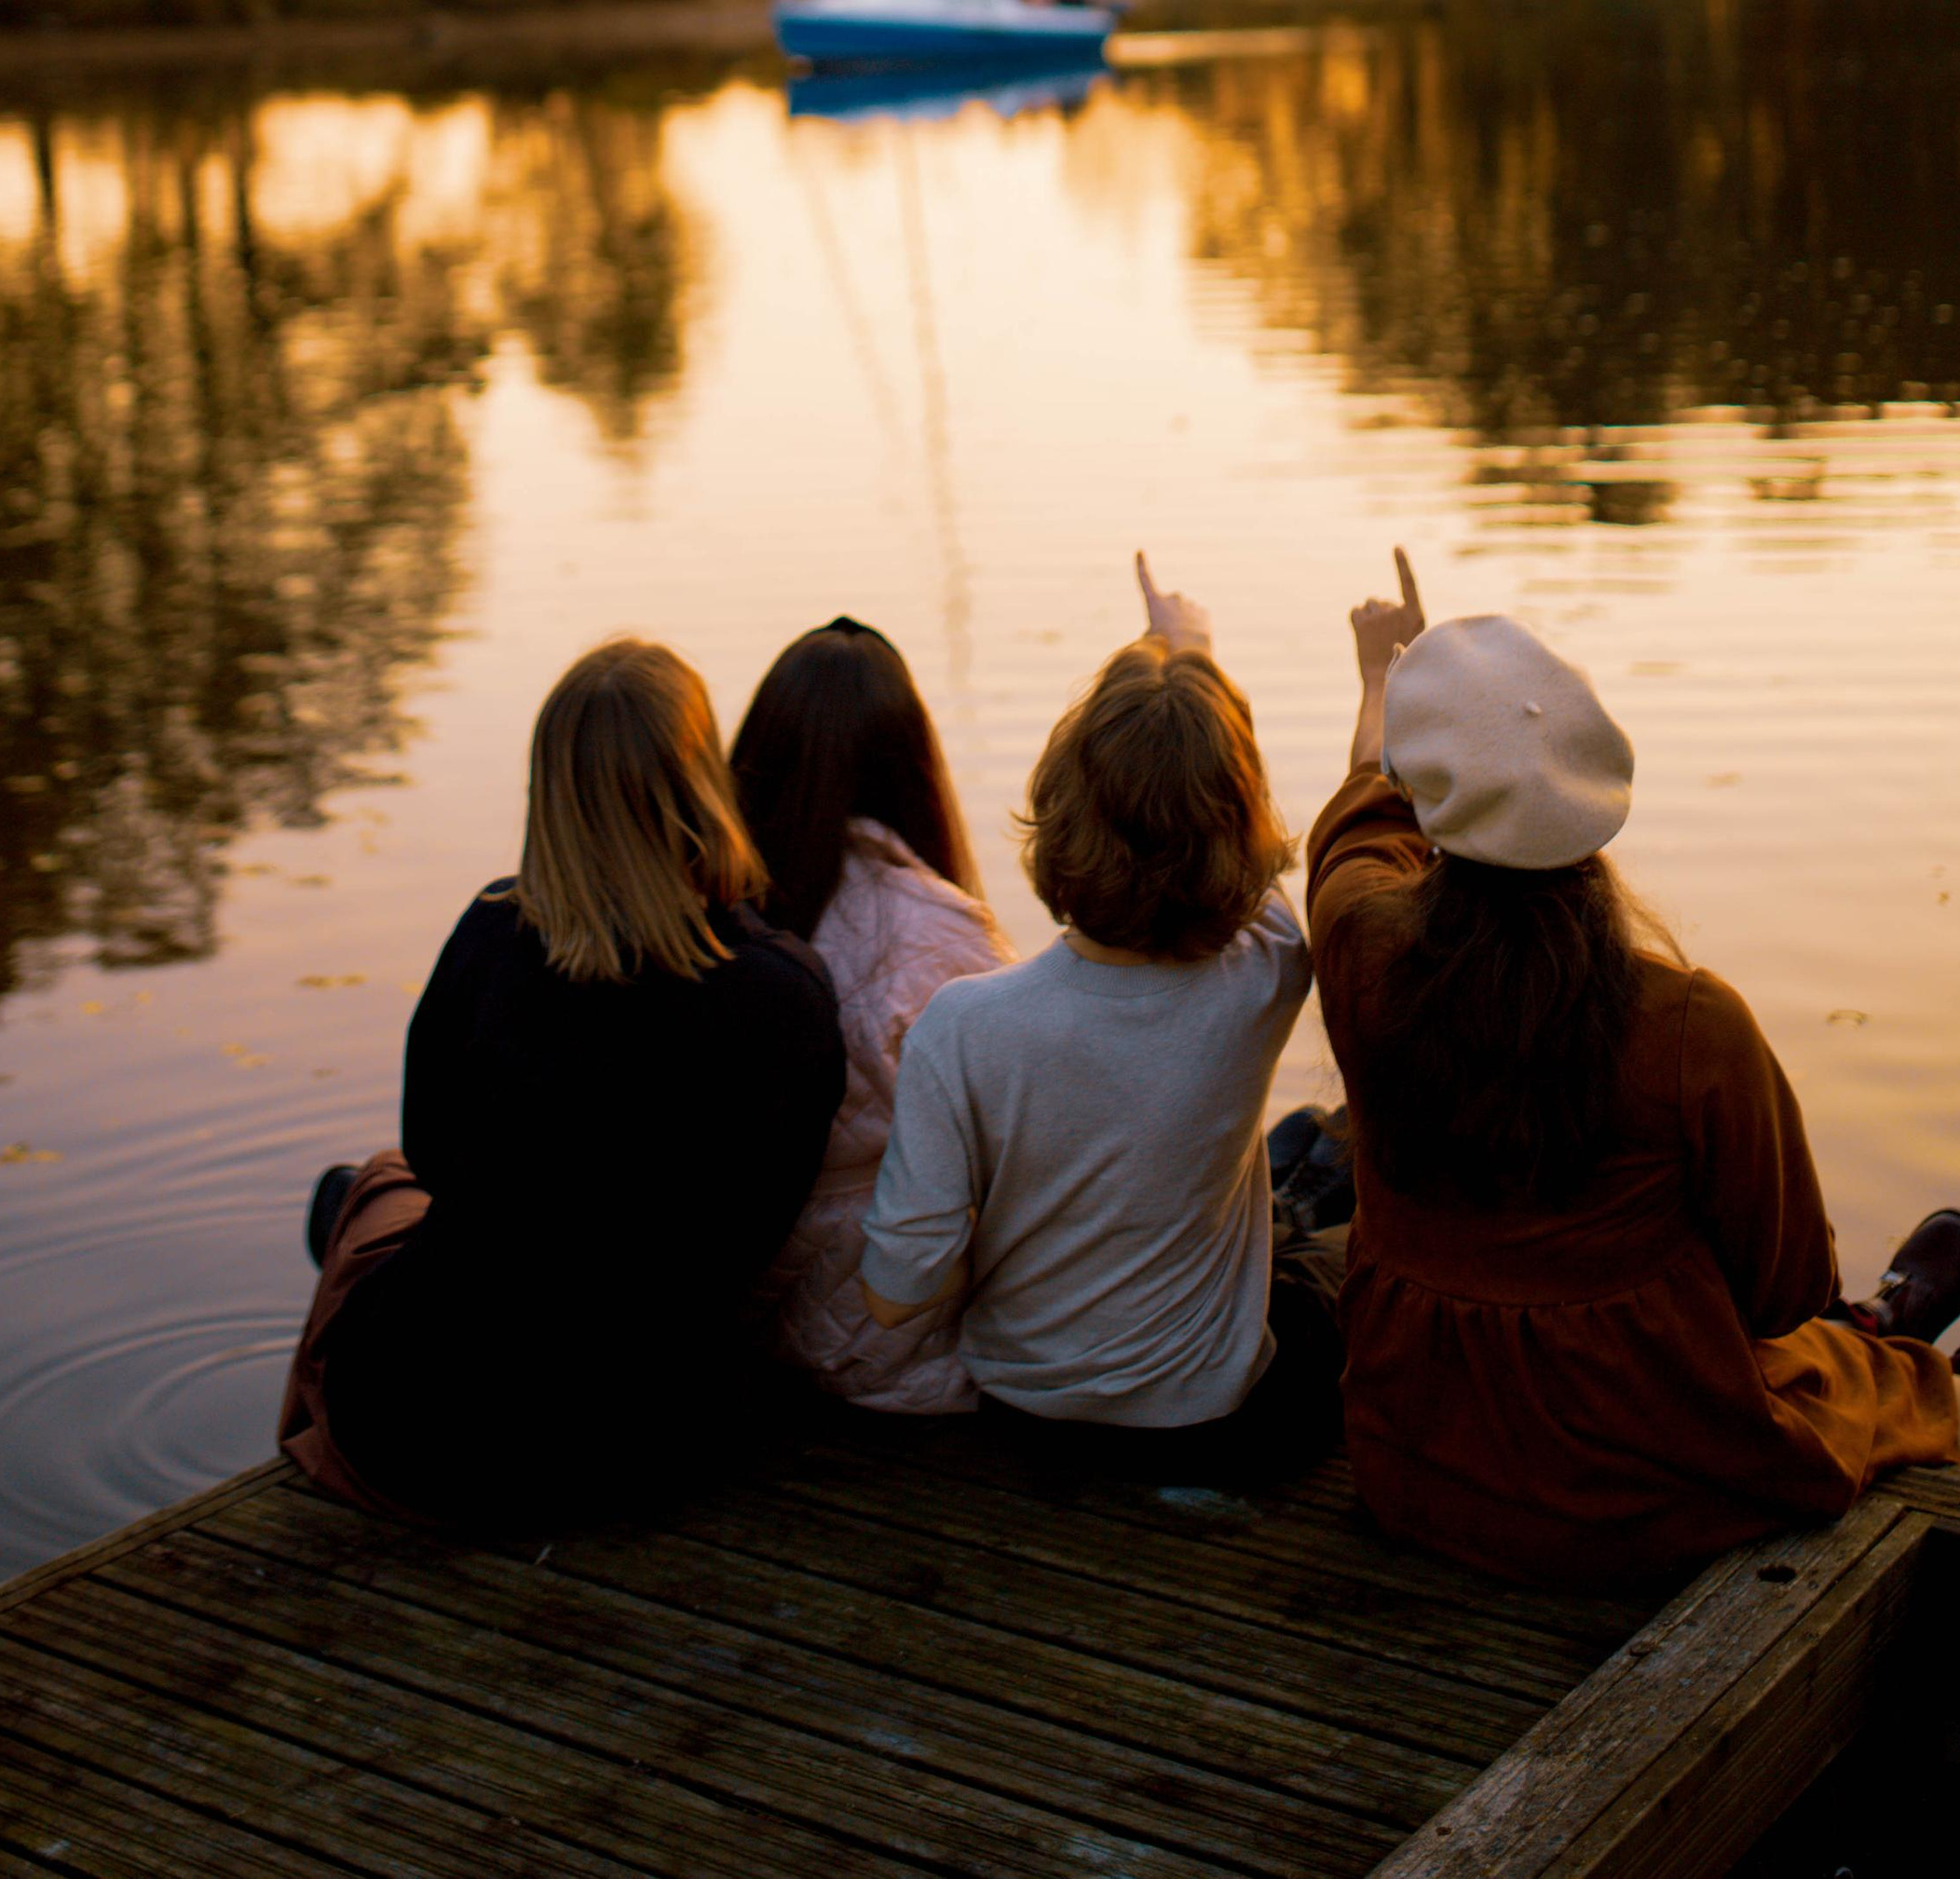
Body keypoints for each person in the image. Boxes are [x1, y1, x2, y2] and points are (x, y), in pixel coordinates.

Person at [1307, 551, 1960, 1587]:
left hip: (1419, 1467)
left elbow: (1359, 816)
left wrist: (1380, 678)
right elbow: (1781, 1284)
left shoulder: (1358, 950)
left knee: (1773, 1343)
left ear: (1420, 792)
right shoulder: (1686, 1026)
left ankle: (1878, 1329)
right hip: (1634, 1500)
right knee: (1825, 1373)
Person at [280, 636, 845, 1530]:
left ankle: (343, 1233)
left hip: (412, 1424)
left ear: (551, 792)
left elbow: (432, 1150)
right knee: (371, 1203)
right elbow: (758, 1230)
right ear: (703, 782)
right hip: (634, 1452)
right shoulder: (784, 993)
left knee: (373, 1193)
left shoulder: (490, 931)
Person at [857, 557, 1340, 1478]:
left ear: (1057, 810)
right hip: (1211, 1419)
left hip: (1022, 1416)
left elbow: (893, 1295)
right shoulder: (1268, 963)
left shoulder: (962, 1026)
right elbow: (1260, 851)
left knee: (1298, 1151)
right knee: (1340, 1223)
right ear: (1238, 821)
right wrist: (1194, 659)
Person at [728, 617, 1011, 1409]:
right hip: (888, 1334)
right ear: (913, 765)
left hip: (734, 1311)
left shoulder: (697, 911)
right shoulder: (941, 929)